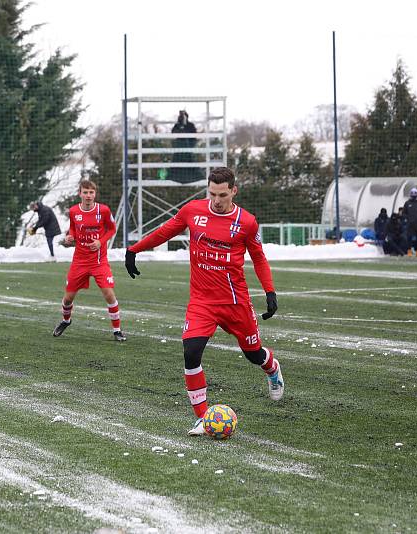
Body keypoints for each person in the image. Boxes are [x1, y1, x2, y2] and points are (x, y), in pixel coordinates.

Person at [124, 167, 282, 436]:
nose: (216, 200)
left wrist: (270, 292)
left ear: (234, 191)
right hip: (202, 302)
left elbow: (259, 258)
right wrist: (133, 250)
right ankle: (201, 417)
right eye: (212, 193)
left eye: (222, 194)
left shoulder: (247, 222)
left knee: (253, 354)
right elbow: (165, 232)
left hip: (235, 302)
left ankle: (273, 369)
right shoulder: (193, 211)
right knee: (191, 352)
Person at [53, 179, 126, 341]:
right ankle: (66, 320)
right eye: (85, 192)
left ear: (95, 194)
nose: (88, 195)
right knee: (68, 298)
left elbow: (112, 229)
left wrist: (100, 241)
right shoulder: (73, 211)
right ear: (80, 194)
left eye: (91, 192)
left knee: (109, 294)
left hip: (99, 261)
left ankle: (117, 331)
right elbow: (73, 227)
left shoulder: (104, 210)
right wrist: (70, 236)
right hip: (79, 260)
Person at [171, 110, 199, 183]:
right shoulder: (177, 125)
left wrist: (191, 146)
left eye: (183, 116)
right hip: (178, 151)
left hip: (188, 150)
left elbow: (194, 137)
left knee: (189, 164)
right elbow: (173, 133)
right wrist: (180, 128)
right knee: (177, 166)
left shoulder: (190, 125)